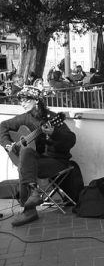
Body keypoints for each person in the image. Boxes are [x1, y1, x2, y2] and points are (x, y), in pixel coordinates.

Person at [0, 86, 76, 226]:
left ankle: (29, 209)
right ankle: (33, 196)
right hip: (34, 162)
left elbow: (71, 139)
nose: (21, 104)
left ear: (36, 101)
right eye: (20, 101)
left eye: (25, 100)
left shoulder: (52, 118)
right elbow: (2, 126)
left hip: (55, 161)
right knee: (26, 154)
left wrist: (54, 133)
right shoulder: (25, 117)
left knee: (25, 160)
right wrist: (7, 144)